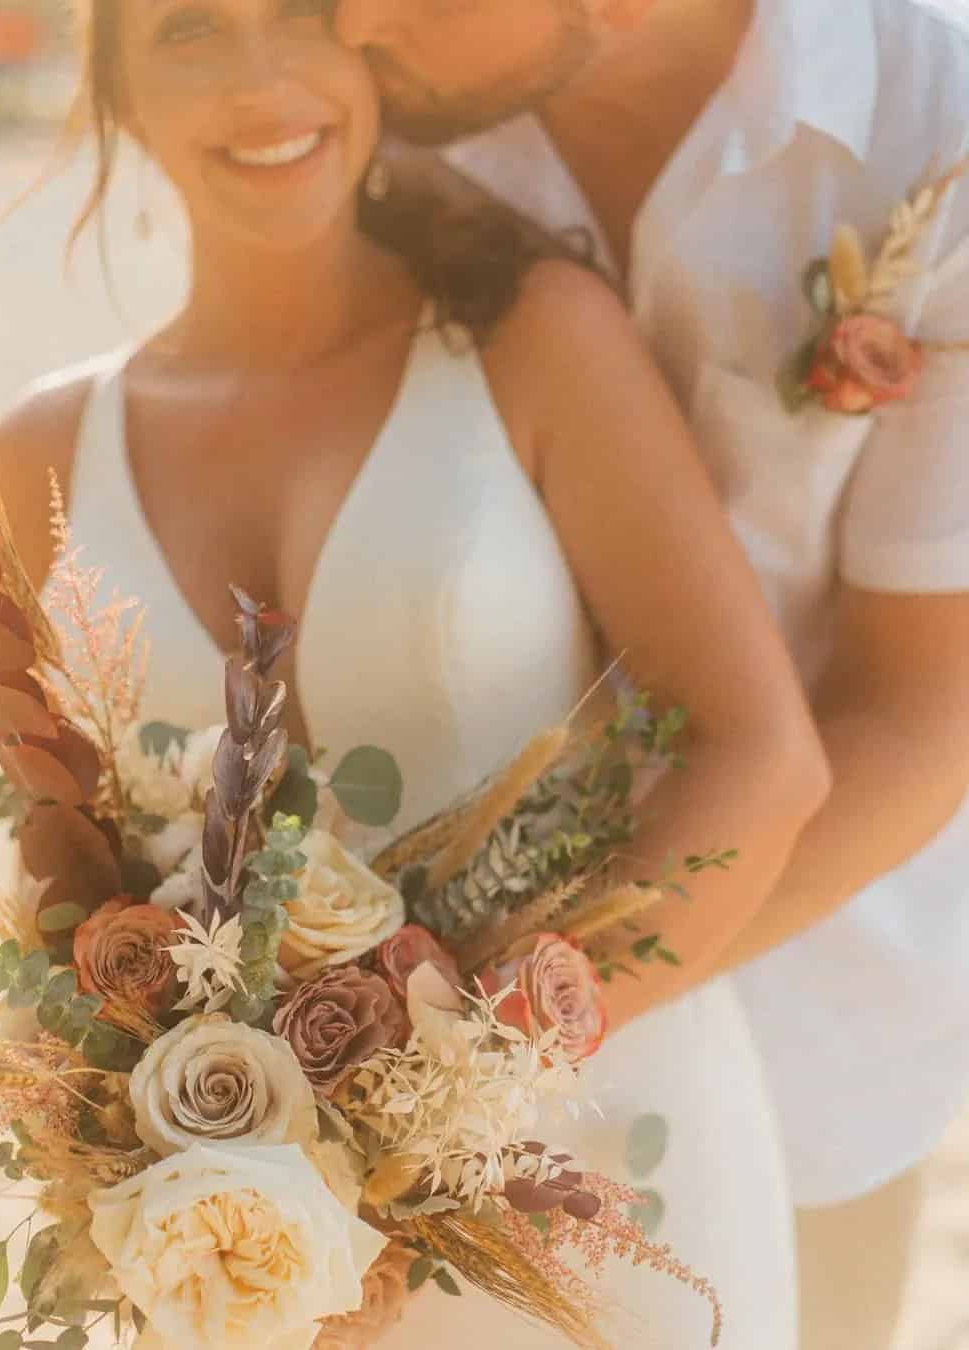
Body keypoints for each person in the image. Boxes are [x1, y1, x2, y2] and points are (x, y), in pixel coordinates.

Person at [0, 1, 829, 1344]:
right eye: (189, 31)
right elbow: (67, 864)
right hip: (246, 1249)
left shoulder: (533, 337)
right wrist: (112, 1111)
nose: (264, 82)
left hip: (602, 1177)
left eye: (303, 14)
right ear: (114, 93)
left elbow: (765, 755)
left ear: (372, 49)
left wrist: (451, 1091)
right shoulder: (38, 453)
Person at [330, 0, 969, 1343]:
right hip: (402, 972)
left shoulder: (939, 119)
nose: (350, 19)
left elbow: (918, 713)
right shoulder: (387, 107)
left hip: (812, 995)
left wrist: (490, 1058)